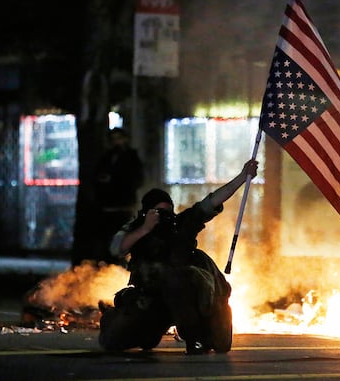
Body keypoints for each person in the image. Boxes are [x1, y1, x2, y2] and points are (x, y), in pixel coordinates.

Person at [98, 158, 259, 355]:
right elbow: (116, 248)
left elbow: (213, 201)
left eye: (168, 212)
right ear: (146, 212)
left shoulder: (181, 224)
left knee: (220, 342)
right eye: (159, 212)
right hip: (155, 298)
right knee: (113, 341)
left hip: (191, 296)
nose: (165, 217)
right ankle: (122, 320)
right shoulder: (137, 229)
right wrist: (145, 228)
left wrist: (243, 177)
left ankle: (196, 335)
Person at [90, 127, 144, 265]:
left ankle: (120, 265)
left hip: (124, 205)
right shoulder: (107, 157)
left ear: (125, 139)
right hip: (108, 206)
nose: (116, 142)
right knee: (108, 240)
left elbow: (137, 179)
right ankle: (109, 265)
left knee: (123, 238)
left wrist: (114, 180)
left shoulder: (131, 157)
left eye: (119, 138)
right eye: (113, 139)